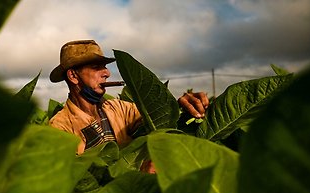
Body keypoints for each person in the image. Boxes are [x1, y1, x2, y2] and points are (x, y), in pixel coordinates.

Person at [48, 40, 209, 156]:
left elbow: (157, 114)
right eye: (97, 67)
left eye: (105, 67)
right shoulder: (59, 127)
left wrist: (182, 105)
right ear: (73, 76)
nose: (107, 73)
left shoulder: (118, 108)